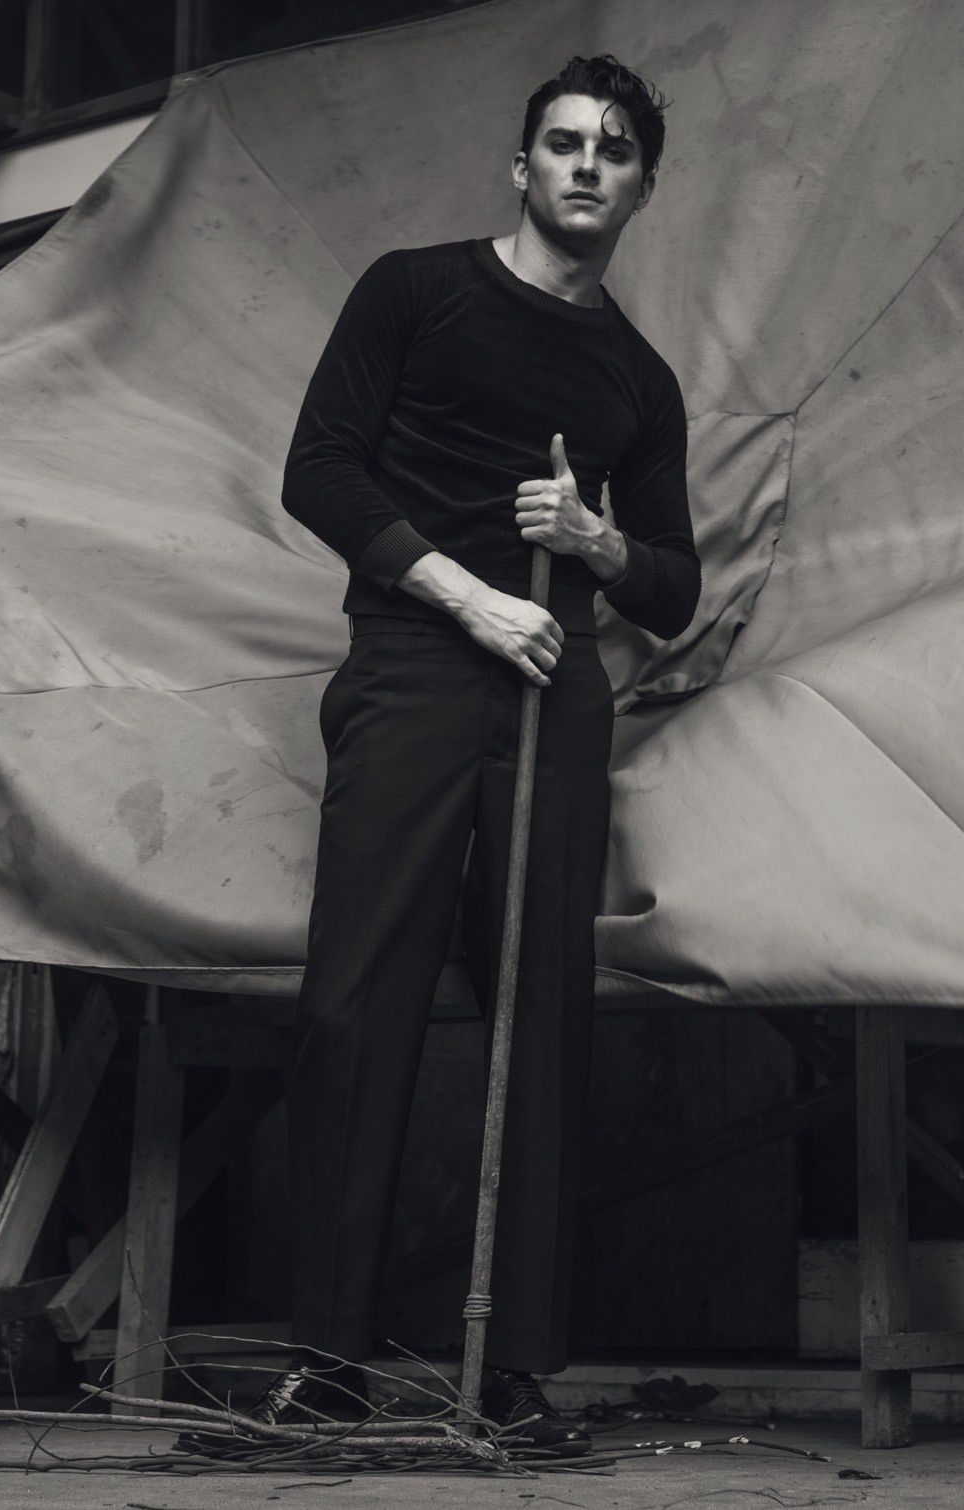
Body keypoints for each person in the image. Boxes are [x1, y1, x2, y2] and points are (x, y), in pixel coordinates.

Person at [197, 52, 701, 1458]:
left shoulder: (638, 379)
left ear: (643, 187)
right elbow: (319, 467)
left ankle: (515, 1370)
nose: (587, 163)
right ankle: (328, 1361)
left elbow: (674, 587)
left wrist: (598, 543)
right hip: (417, 666)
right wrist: (469, 594)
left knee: (541, 1017)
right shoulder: (414, 293)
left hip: (553, 689)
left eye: (614, 149)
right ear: (521, 166)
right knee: (358, 1002)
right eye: (565, 142)